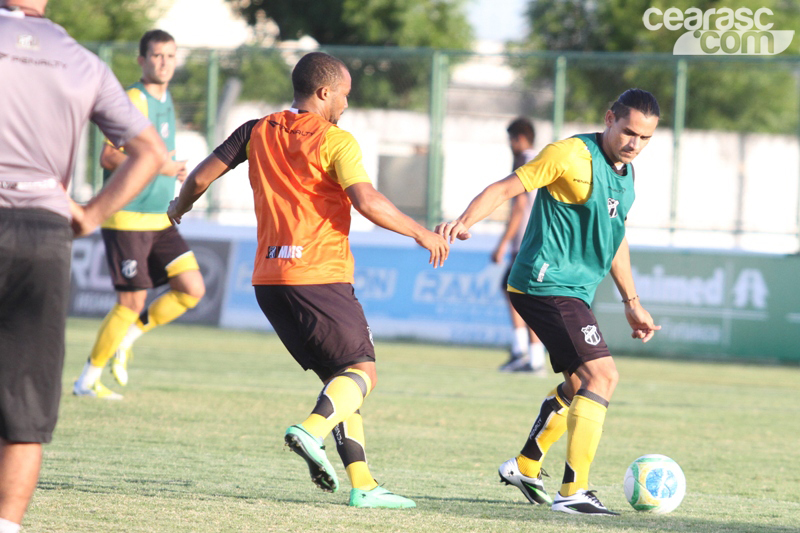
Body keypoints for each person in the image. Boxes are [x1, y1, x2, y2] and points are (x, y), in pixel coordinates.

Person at [167, 51, 449, 508]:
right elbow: (367, 200)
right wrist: (421, 232)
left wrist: (179, 207)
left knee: (341, 382)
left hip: (268, 281)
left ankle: (363, 485)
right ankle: (309, 430)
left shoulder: (256, 130)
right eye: (343, 95)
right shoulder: (336, 141)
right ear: (323, 92)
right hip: (318, 275)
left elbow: (200, 176)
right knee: (362, 372)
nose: (345, 104)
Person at [437, 89, 661, 515]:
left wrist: (632, 301)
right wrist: (463, 222)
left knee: (580, 385)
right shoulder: (569, 154)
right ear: (609, 117)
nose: (634, 144)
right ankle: (573, 491)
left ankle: (525, 464)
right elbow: (506, 188)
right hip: (544, 283)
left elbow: (615, 239)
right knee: (604, 377)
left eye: (645, 138)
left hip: (574, 290)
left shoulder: (626, 175)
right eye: (628, 131)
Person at [0, 1, 168, 530]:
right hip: (47, 234)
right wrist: (92, 215)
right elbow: (150, 152)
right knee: (27, 406)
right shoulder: (82, 60)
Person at [73, 30, 205, 399]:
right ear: (142, 60)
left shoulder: (166, 99)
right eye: (157, 56)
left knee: (191, 288)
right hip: (128, 215)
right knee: (131, 301)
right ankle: (87, 380)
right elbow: (109, 156)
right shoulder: (134, 98)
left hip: (159, 218)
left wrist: (172, 170)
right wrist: (163, 166)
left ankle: (127, 339)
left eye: (170, 56)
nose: (164, 62)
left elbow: (158, 158)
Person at [492, 117, 546, 374]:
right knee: (521, 295)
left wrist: (502, 244)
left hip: (525, 241)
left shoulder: (525, 160)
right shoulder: (538, 158)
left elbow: (519, 207)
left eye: (511, 139)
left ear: (520, 138)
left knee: (517, 295)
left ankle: (525, 353)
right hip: (536, 240)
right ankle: (530, 355)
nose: (509, 145)